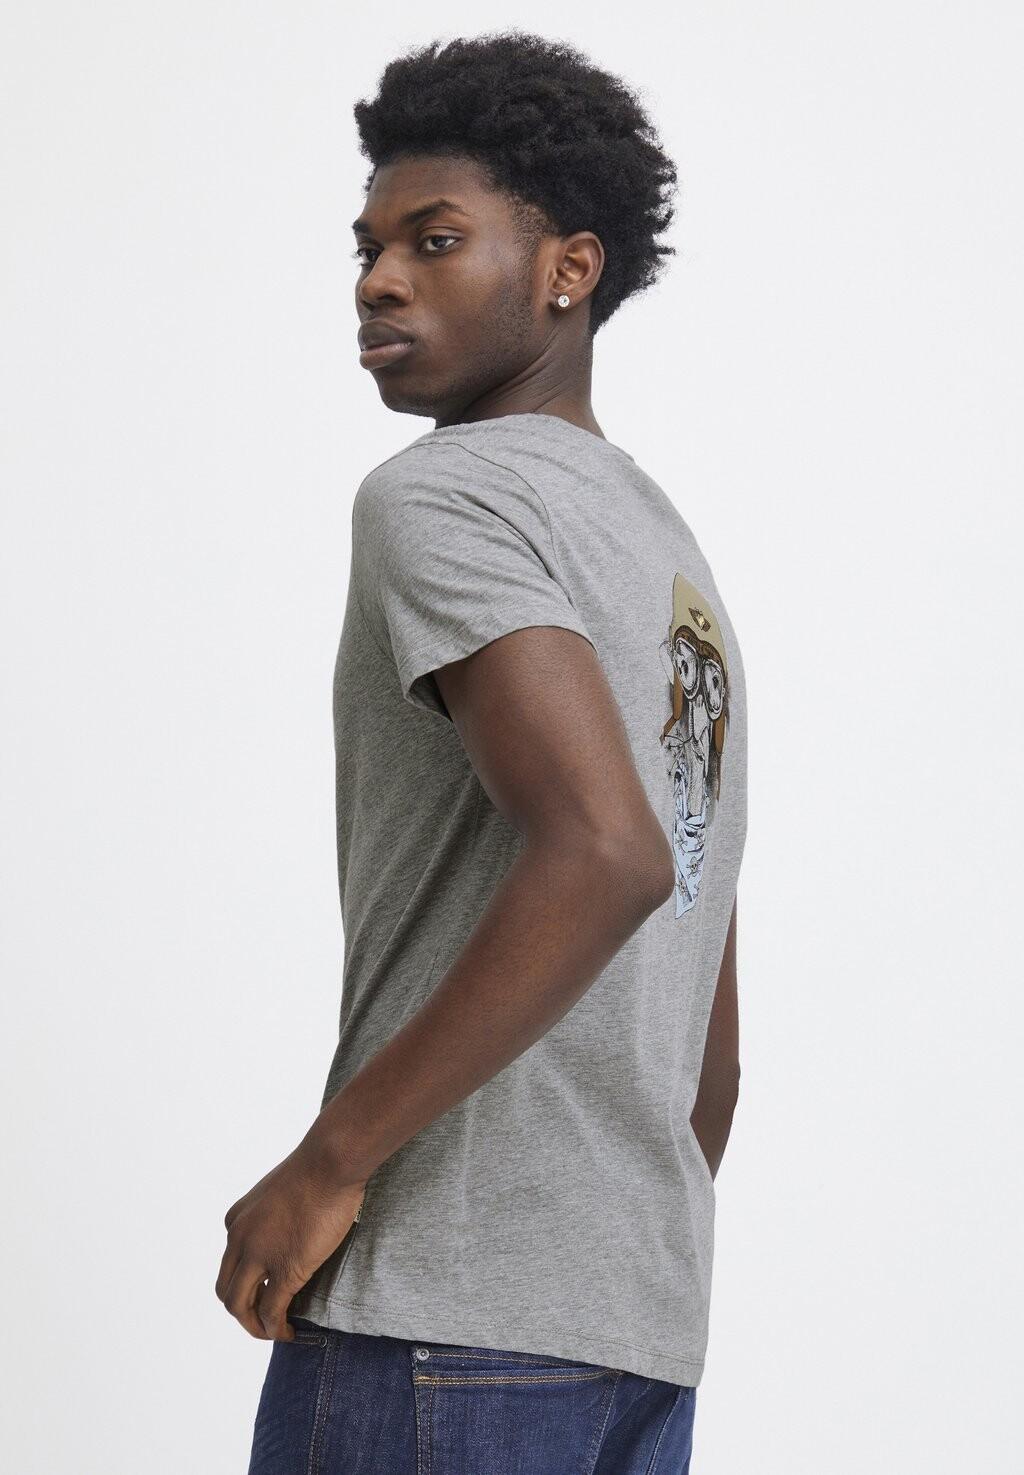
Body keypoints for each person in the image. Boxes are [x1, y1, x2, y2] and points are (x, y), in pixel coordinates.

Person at [218, 29, 747, 1474]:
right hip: (635, 1325)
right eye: (370, 247)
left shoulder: (447, 497)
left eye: (435, 240)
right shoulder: (668, 557)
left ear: (569, 269)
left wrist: (329, 1165)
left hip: (440, 1315)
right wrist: (615, 1240)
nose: (379, 280)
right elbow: (705, 968)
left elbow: (613, 856)